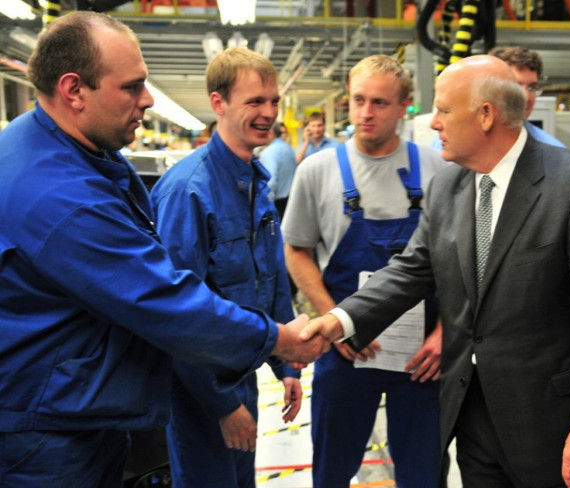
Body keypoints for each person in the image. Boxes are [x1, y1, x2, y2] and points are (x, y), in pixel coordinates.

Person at [0, 12, 327, 487]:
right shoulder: (61, 196)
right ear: (74, 90)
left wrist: (280, 359)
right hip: (49, 432)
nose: (147, 100)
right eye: (132, 87)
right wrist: (277, 339)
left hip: (79, 405)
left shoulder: (71, 152)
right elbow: (165, 299)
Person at [301, 54, 570, 488]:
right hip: (474, 413)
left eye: (443, 110)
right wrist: (336, 321)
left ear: (485, 115)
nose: (434, 122)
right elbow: (411, 269)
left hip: (553, 423)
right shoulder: (449, 185)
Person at [282, 54, 448, 487]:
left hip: (421, 357)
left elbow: (461, 260)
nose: (366, 113)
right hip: (346, 351)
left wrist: (444, 333)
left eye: (379, 102)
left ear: (403, 107)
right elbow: (296, 250)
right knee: (333, 467)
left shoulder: (438, 171)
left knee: (423, 471)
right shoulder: (317, 171)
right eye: (358, 100)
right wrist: (336, 322)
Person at [150, 48, 302, 488]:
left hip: (243, 377)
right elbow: (176, 316)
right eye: (255, 102)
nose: (269, 113)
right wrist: (221, 405)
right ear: (219, 104)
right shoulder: (189, 192)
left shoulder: (253, 182)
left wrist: (286, 365)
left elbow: (269, 281)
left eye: (273, 101)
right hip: (199, 390)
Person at [489, 45, 566, 147]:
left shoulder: (552, 151)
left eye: (532, 88)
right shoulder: (465, 145)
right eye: (516, 85)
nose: (525, 97)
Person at [260, 121, 297, 218]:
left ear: (271, 133)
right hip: (290, 200)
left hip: (277, 203)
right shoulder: (288, 148)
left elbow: (270, 182)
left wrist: (266, 205)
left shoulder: (270, 151)